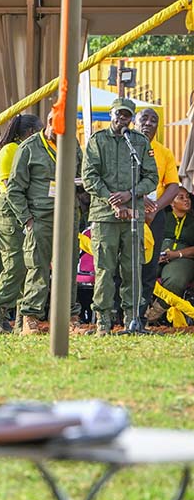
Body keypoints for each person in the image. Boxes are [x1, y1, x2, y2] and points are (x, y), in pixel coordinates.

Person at [5, 111, 86, 335]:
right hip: (40, 217)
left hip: (68, 217)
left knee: (67, 268)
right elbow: (14, 189)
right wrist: (27, 219)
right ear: (50, 122)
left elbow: (82, 174)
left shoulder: (72, 144)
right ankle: (30, 318)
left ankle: (69, 318)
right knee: (37, 269)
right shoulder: (29, 148)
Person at [82, 97, 159, 335]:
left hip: (133, 214)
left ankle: (132, 320)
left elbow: (151, 177)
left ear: (131, 119)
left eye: (127, 115)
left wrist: (130, 194)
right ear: (111, 114)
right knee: (104, 270)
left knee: (132, 269)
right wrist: (111, 198)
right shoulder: (97, 140)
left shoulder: (139, 142)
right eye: (119, 114)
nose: (122, 119)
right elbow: (89, 176)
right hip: (104, 215)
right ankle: (103, 322)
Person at [0, 114, 42, 333]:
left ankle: (22, 322)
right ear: (30, 132)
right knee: (15, 264)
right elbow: (9, 188)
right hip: (10, 211)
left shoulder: (31, 149)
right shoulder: (10, 150)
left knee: (28, 264)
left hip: (26, 209)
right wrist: (26, 217)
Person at [137, 108, 181, 318]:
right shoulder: (122, 148)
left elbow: (173, 185)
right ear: (134, 122)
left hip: (155, 215)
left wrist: (155, 208)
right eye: (144, 118)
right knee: (124, 265)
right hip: (127, 212)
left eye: (153, 120)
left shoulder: (164, 153)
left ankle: (140, 316)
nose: (148, 123)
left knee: (149, 266)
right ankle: (118, 317)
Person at [145, 188, 194, 323]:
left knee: (176, 279)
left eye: (187, 197)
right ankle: (138, 311)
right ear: (172, 202)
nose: (186, 200)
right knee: (142, 273)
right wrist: (155, 254)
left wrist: (177, 254)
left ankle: (152, 314)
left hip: (183, 258)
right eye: (181, 197)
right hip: (157, 254)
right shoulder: (161, 218)